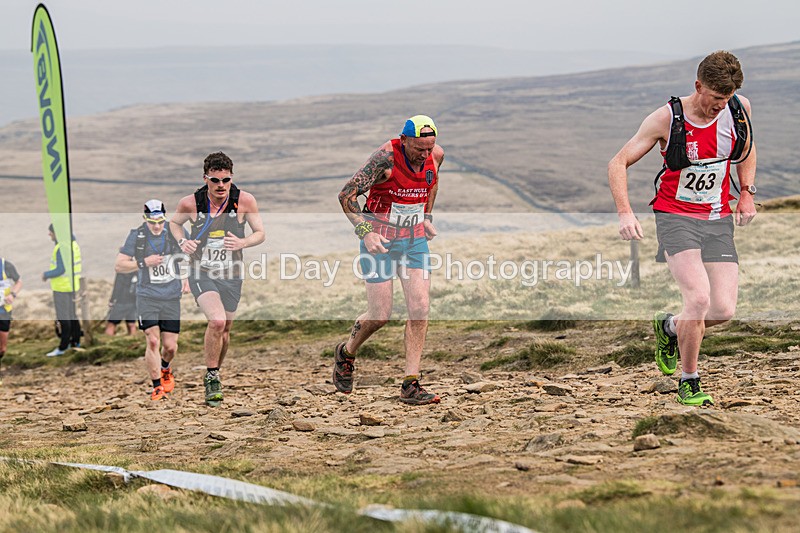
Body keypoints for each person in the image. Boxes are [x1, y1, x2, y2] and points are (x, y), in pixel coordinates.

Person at [608, 51, 757, 406]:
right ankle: (689, 381)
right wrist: (625, 212)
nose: (721, 106)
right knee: (699, 299)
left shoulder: (739, 109)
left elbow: (748, 150)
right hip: (676, 218)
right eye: (716, 98)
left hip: (717, 218)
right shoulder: (666, 118)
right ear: (698, 86)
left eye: (727, 98)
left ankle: (669, 326)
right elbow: (618, 162)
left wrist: (747, 192)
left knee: (721, 310)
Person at [333, 115, 444, 405]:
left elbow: (431, 182)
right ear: (404, 140)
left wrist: (426, 216)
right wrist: (365, 232)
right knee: (380, 315)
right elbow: (346, 196)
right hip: (379, 240)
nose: (425, 154)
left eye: (429, 148)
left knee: (420, 307)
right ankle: (346, 353)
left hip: (413, 239)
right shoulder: (385, 159)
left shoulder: (435, 155)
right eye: (419, 148)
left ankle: (411, 383)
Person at [169, 152, 265, 407]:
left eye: (226, 180)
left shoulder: (244, 201)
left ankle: (215, 373)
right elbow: (175, 223)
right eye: (215, 180)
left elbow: (260, 233)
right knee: (217, 322)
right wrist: (183, 242)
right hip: (201, 271)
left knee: (226, 330)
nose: (221, 186)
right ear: (205, 178)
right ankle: (211, 376)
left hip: (232, 274)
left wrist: (243, 241)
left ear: (231, 178)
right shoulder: (191, 203)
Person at [116, 200, 189, 401]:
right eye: (152, 222)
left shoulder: (175, 232)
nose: (156, 226)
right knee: (153, 340)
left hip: (171, 296)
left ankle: (165, 367)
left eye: (160, 221)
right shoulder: (137, 236)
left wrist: (187, 277)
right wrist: (143, 262)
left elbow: (192, 254)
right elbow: (119, 265)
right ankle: (157, 385)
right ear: (145, 219)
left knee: (170, 347)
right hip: (147, 296)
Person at [42, 224, 82, 357]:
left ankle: (63, 347)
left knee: (64, 318)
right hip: (72, 286)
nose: (49, 234)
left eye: (51, 232)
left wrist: (46, 274)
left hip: (62, 287)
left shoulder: (61, 248)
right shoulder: (73, 244)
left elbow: (60, 270)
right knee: (72, 315)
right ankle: (75, 342)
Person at [0, 257, 23, 382]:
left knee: (2, 348)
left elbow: (19, 281)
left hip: (4, 311)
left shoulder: (5, 265)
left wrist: (12, 294)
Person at [105, 271, 138, 336]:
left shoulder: (121, 271)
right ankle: (133, 339)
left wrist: (112, 300)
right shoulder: (137, 270)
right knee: (131, 324)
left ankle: (107, 339)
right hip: (134, 300)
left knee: (111, 324)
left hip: (121, 301)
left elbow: (117, 287)